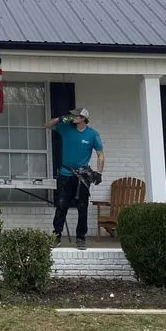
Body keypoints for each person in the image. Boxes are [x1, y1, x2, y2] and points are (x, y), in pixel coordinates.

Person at [45, 107, 105, 250]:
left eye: (76, 116)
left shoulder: (92, 134)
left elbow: (100, 154)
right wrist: (60, 119)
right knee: (61, 205)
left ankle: (80, 238)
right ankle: (56, 236)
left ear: (83, 118)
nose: (72, 117)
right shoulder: (65, 128)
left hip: (82, 176)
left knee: (82, 207)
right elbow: (47, 125)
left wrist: (99, 172)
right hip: (65, 175)